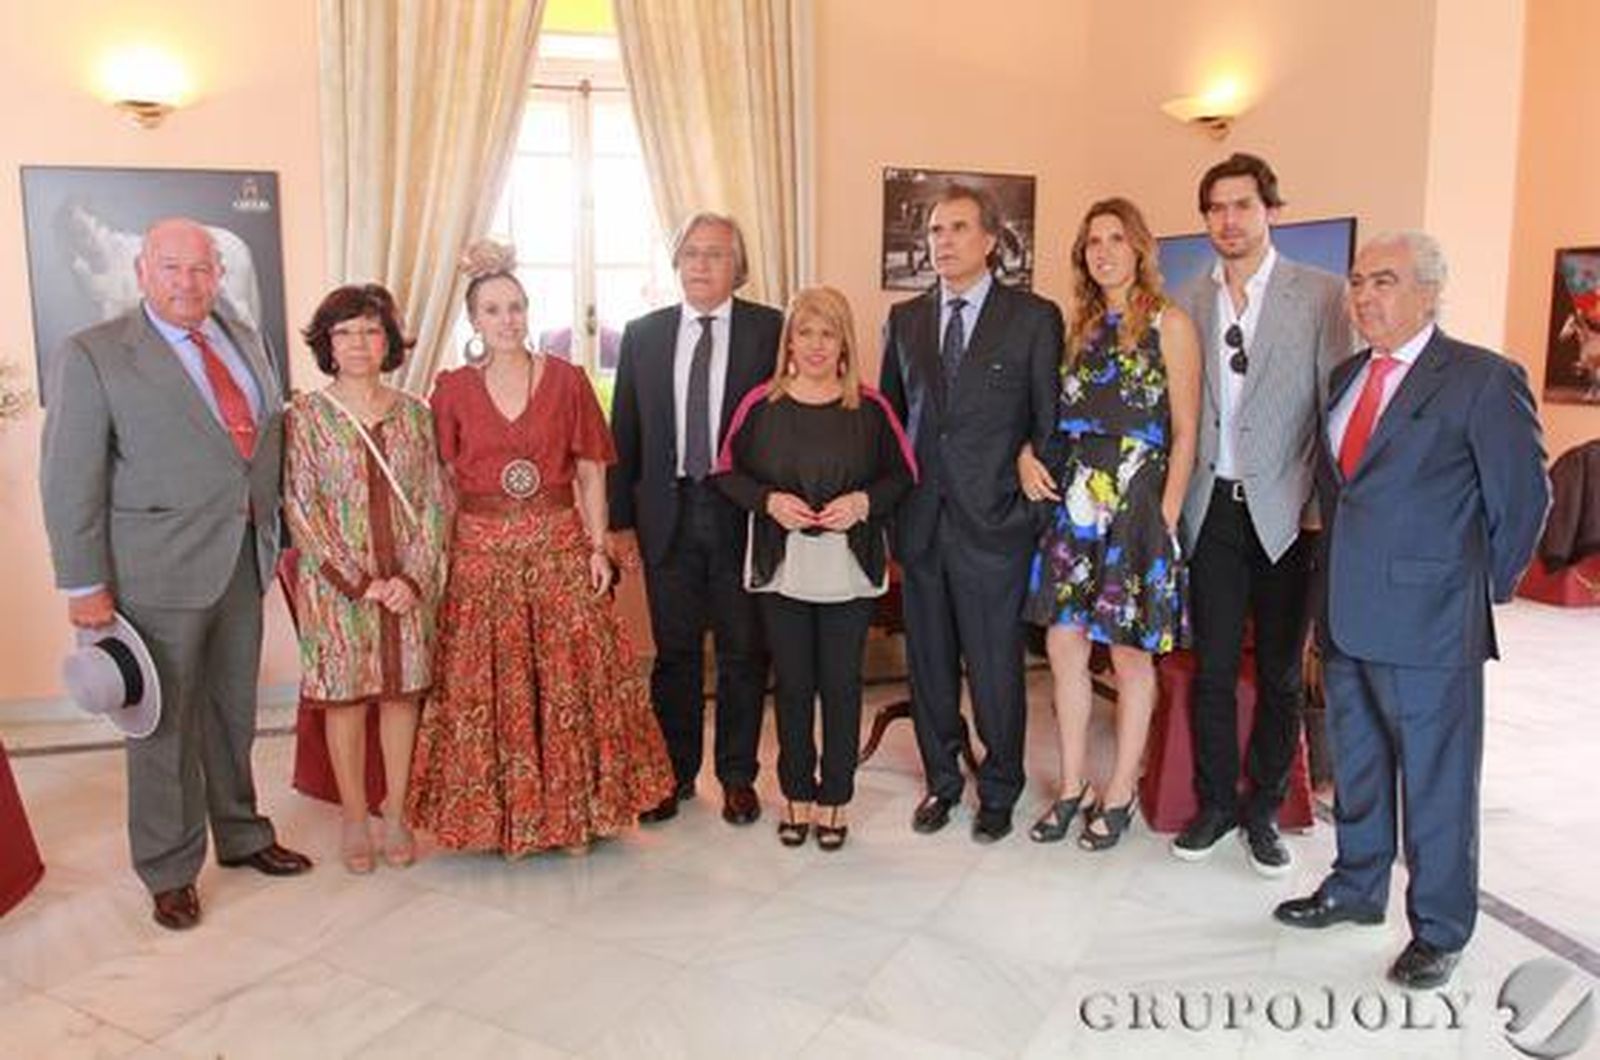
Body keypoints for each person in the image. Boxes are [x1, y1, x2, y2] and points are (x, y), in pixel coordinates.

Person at [1274, 232, 1548, 990]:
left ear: (1429, 292)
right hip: (1347, 613)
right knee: (1359, 767)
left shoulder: (1482, 380)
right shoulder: (1345, 377)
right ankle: (1357, 887)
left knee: (1437, 781)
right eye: (1358, 281)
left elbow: (1524, 499)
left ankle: (1441, 927)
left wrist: (1476, 591)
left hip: (1432, 623)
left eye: (1384, 282)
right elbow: (1343, 496)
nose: (1364, 296)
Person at [40, 217, 311, 931]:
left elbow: (262, 448)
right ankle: (168, 868)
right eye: (171, 268)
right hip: (154, 572)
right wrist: (84, 586)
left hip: (242, 560)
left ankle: (243, 833)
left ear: (218, 273)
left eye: (201, 268)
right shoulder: (94, 355)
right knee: (162, 728)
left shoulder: (246, 337)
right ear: (141, 272)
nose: (188, 283)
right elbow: (70, 479)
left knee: (231, 714)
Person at [405, 243, 675, 855]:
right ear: (474, 320)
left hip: (557, 545)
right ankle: (498, 822)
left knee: (566, 687)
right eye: (494, 310)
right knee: (490, 692)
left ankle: (573, 818)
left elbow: (589, 471)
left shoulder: (567, 380)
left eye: (517, 308)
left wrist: (596, 547)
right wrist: (444, 560)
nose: (508, 320)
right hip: (482, 557)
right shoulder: (451, 389)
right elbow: (444, 482)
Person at [1169, 153, 1352, 874]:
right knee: (1213, 668)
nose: (1229, 221)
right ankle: (1215, 803)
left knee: (1279, 674)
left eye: (1242, 205)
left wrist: (1314, 509)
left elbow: (1331, 408)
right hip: (1211, 509)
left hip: (1287, 513)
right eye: (1215, 208)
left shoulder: (1322, 296)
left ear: (1271, 210)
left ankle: (1264, 810)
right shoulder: (1187, 301)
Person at [879, 183, 1063, 843]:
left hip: (997, 523)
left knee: (994, 668)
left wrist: (1028, 501)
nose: (943, 242)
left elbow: (1050, 425)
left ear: (990, 240)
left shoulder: (1033, 318)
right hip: (924, 525)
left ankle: (1001, 788)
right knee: (929, 666)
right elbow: (894, 429)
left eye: (957, 228)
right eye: (934, 231)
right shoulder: (904, 321)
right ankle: (944, 782)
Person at [1017, 198, 1200, 850]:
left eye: (1116, 238)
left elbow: (1185, 432)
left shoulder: (1170, 324)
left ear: (1139, 248)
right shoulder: (1081, 327)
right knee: (1065, 644)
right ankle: (1072, 785)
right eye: (1093, 241)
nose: (1103, 251)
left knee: (1127, 655)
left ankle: (1119, 789)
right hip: (1077, 501)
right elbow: (1052, 418)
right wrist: (1025, 455)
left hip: (1139, 503)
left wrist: (1167, 517)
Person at [715, 286, 916, 850]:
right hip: (783, 568)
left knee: (841, 685)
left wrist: (864, 504)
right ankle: (796, 796)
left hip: (849, 569)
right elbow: (726, 472)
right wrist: (768, 501)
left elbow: (903, 476)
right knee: (796, 686)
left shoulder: (871, 409)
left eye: (828, 333)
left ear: (844, 341)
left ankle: (836, 801)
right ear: (790, 341)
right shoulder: (761, 404)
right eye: (805, 332)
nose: (816, 345)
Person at [608, 213, 783, 826]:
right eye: (691, 254)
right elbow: (622, 433)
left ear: (738, 265)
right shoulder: (644, 334)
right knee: (675, 655)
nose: (702, 265)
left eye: (715, 254)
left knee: (742, 652)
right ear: (677, 262)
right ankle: (673, 776)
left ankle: (737, 776)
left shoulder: (771, 330)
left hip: (741, 512)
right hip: (668, 512)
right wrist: (618, 522)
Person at [282, 284, 449, 873]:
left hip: (408, 591)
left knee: (403, 699)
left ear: (389, 341)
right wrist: (362, 582)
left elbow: (435, 500)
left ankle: (395, 811)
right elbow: (301, 507)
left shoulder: (415, 415)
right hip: (339, 593)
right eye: (345, 332)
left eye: (371, 330)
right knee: (346, 702)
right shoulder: (306, 416)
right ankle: (355, 817)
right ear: (327, 343)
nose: (358, 343)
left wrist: (414, 578)